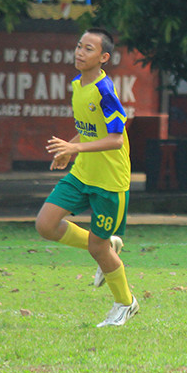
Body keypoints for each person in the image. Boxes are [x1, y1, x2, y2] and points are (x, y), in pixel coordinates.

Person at [34, 28, 138, 327]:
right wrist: (71, 148)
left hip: (109, 181)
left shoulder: (105, 91)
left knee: (96, 248)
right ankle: (108, 245)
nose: (80, 52)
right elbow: (90, 127)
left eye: (88, 49)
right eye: (79, 46)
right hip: (82, 173)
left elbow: (117, 138)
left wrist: (75, 147)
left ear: (103, 57)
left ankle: (125, 303)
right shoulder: (77, 84)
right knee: (45, 224)